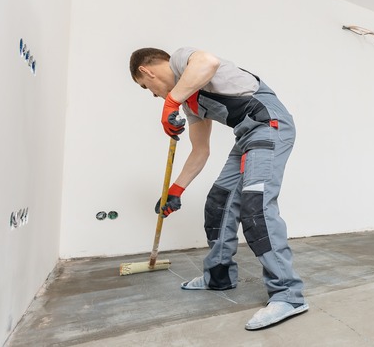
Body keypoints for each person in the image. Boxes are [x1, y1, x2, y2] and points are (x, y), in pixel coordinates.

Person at [129, 47, 307, 330]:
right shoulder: (190, 102)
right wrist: (175, 190)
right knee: (219, 203)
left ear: (146, 71)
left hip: (269, 125)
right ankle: (218, 276)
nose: (153, 94)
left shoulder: (182, 60)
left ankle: (288, 295)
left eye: (146, 88)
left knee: (256, 207)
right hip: (246, 137)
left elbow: (208, 62)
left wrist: (170, 103)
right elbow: (200, 151)